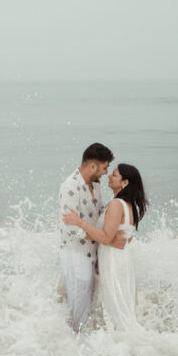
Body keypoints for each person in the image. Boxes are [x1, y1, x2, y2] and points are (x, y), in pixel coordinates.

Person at [63, 163, 148, 331]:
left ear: (124, 183)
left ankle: (115, 344)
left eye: (115, 175)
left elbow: (105, 236)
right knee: (118, 308)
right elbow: (120, 237)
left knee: (115, 310)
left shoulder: (117, 204)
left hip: (113, 262)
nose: (109, 175)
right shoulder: (129, 206)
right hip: (120, 259)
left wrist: (79, 222)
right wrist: (80, 233)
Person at [58, 142, 122, 333]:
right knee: (79, 306)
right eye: (104, 167)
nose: (106, 172)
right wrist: (101, 237)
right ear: (93, 166)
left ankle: (83, 341)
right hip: (76, 254)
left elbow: (101, 211)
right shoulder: (70, 186)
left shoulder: (95, 184)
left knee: (90, 301)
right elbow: (69, 227)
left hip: (94, 252)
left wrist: (114, 228)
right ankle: (71, 343)